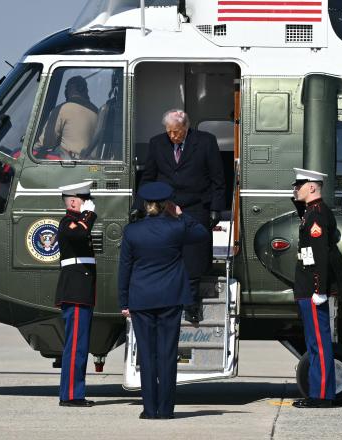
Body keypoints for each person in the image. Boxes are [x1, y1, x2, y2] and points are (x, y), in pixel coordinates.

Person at [119, 182, 209, 419]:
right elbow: (201, 233)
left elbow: (124, 269)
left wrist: (124, 301)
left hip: (141, 299)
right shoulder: (176, 228)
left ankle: (150, 409)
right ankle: (167, 410)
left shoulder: (132, 231)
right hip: (170, 297)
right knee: (168, 354)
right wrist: (181, 215)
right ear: (166, 205)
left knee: (147, 355)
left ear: (147, 205)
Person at [133, 109, 225, 324]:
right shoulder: (157, 143)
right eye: (169, 132)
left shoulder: (205, 141)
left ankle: (191, 302)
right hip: (167, 206)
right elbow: (148, 177)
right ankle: (167, 299)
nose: (173, 136)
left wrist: (216, 208)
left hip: (196, 204)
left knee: (193, 256)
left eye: (177, 132)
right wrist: (139, 205)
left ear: (186, 127)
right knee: (166, 252)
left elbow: (217, 176)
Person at [290, 168, 342, 409]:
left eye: (299, 185)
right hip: (307, 287)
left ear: (312, 187)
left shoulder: (316, 216)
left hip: (313, 289)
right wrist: (296, 197)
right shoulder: (311, 212)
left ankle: (323, 395)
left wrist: (319, 289)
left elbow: (320, 255)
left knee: (319, 343)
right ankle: (318, 392)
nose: (295, 189)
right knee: (313, 342)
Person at [55, 181, 98, 407]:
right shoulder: (68, 223)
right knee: (75, 346)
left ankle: (71, 393)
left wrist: (88, 214)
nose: (88, 203)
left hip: (81, 291)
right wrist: (88, 214)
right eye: (84, 199)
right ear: (73, 201)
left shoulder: (77, 222)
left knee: (79, 344)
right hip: (76, 292)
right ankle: (72, 395)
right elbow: (81, 235)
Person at [34, 75, 98, 160]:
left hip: (68, 164)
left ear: (70, 89)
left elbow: (46, 142)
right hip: (90, 165)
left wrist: (32, 148)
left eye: (66, 87)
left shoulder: (63, 108)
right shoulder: (97, 112)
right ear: (85, 91)